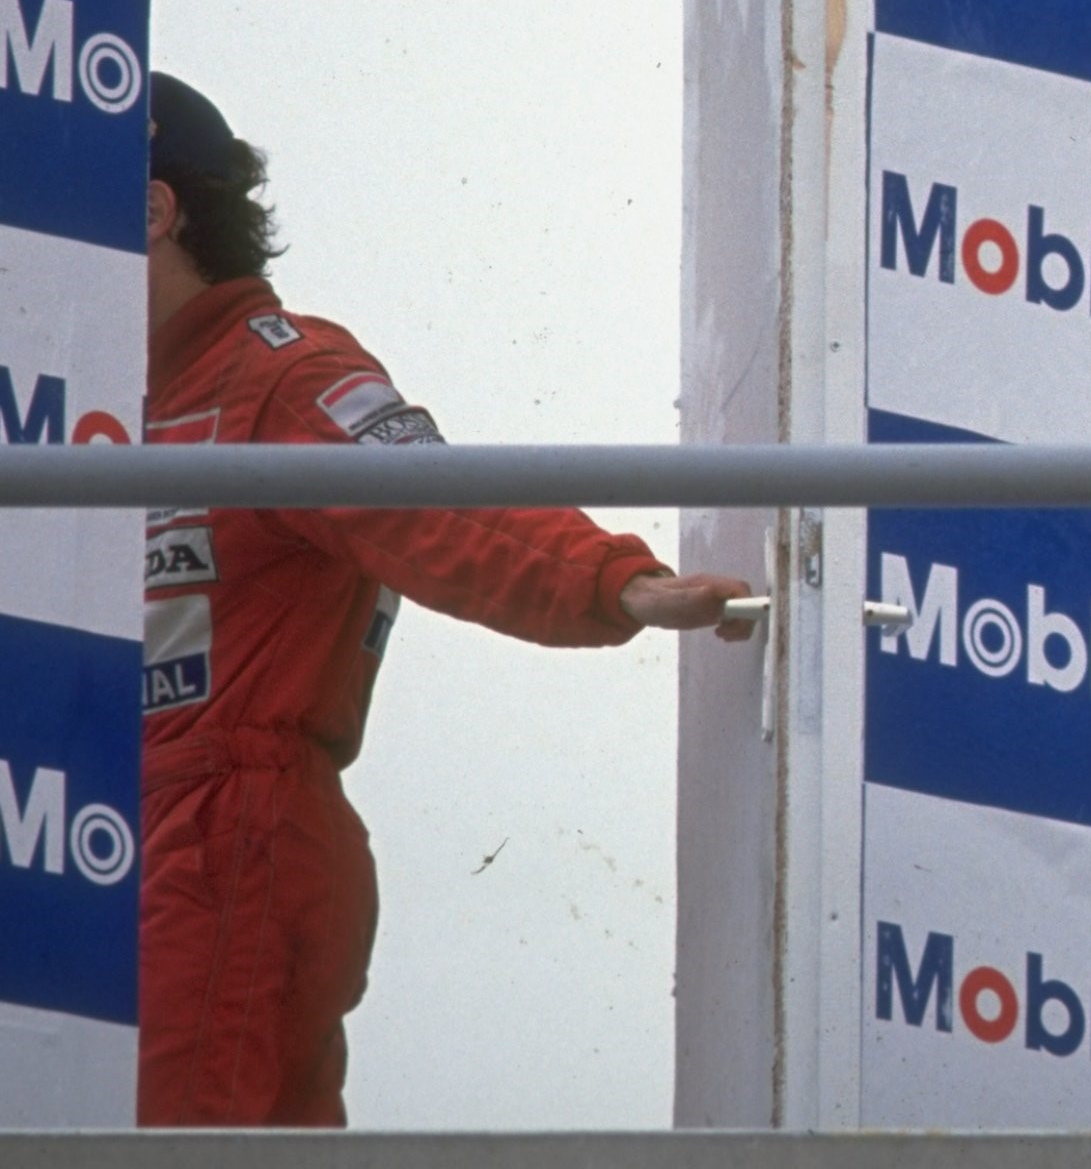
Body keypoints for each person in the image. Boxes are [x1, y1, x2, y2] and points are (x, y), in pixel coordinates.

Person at [137, 72, 752, 1127]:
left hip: (224, 844)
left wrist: (614, 580)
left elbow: (437, 503)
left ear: (155, 209)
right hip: (128, 837)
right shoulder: (82, 409)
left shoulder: (275, 373)